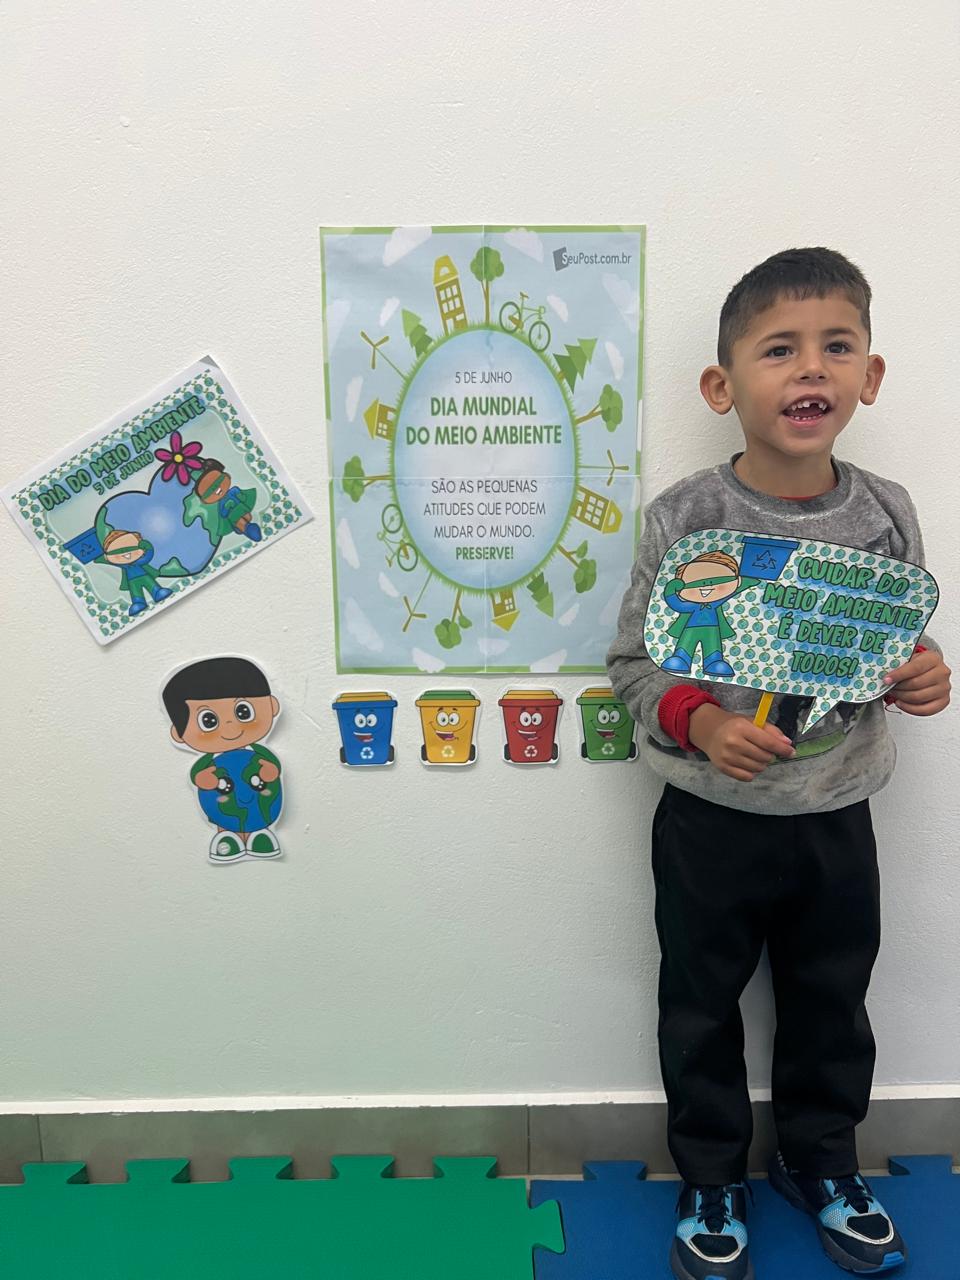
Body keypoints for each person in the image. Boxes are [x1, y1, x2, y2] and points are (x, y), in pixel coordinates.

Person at [607, 248, 951, 1280]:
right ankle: (712, 1174)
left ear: (869, 376)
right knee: (698, 1007)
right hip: (709, 820)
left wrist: (921, 672)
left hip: (838, 813)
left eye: (836, 346)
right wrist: (703, 724)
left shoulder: (885, 512)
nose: (811, 368)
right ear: (722, 387)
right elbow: (632, 666)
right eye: (779, 349)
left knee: (831, 1003)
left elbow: (888, 645)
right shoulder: (686, 520)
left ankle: (822, 1160)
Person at [162, 656, 283, 863]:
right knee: (225, 812)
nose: (230, 726)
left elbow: (274, 768)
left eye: (242, 711)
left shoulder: (260, 753)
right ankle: (228, 837)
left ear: (272, 706)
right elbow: (197, 776)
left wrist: (270, 771)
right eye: (209, 720)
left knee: (259, 810)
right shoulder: (208, 762)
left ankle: (259, 835)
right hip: (223, 803)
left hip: (261, 799)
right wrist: (202, 779)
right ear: (178, 733)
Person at [98, 528, 172, 615]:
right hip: (132, 581)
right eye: (118, 552)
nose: (126, 553)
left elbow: (148, 556)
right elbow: (107, 561)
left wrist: (148, 547)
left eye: (131, 548)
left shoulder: (139, 561)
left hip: (144, 575)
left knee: (150, 583)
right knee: (135, 591)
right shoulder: (123, 565)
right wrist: (105, 558)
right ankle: (138, 602)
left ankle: (157, 592)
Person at [192, 458, 262, 542]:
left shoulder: (231, 492)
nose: (215, 488)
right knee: (239, 521)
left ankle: (246, 528)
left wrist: (240, 495)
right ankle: (245, 529)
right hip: (233, 514)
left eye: (218, 481)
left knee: (248, 516)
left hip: (241, 508)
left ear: (227, 476)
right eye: (209, 492)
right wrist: (226, 507)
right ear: (205, 501)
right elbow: (223, 514)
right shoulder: (221, 502)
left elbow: (235, 490)